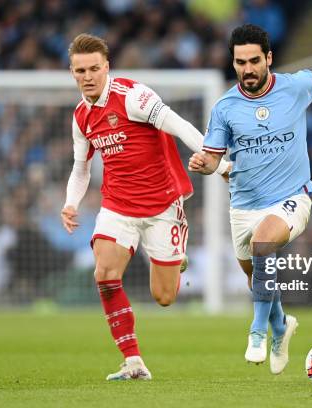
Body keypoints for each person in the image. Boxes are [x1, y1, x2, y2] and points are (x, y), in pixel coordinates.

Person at [188, 24, 312, 374]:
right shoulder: (225, 107)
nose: (248, 69)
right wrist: (204, 164)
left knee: (263, 246)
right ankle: (279, 326)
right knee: (257, 278)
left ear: (269, 58)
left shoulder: (296, 86)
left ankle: (257, 332)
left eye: (254, 60)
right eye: (240, 62)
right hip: (243, 206)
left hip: (293, 198)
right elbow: (214, 158)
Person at [60, 33, 229, 381]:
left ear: (107, 67)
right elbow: (81, 168)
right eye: (80, 70)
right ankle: (133, 361)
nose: (88, 76)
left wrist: (219, 163)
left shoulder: (134, 97)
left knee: (164, 297)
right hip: (117, 205)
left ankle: (176, 256)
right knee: (105, 274)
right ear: (72, 72)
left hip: (162, 205)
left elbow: (179, 125)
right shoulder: (81, 117)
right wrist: (70, 203)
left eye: (94, 68)